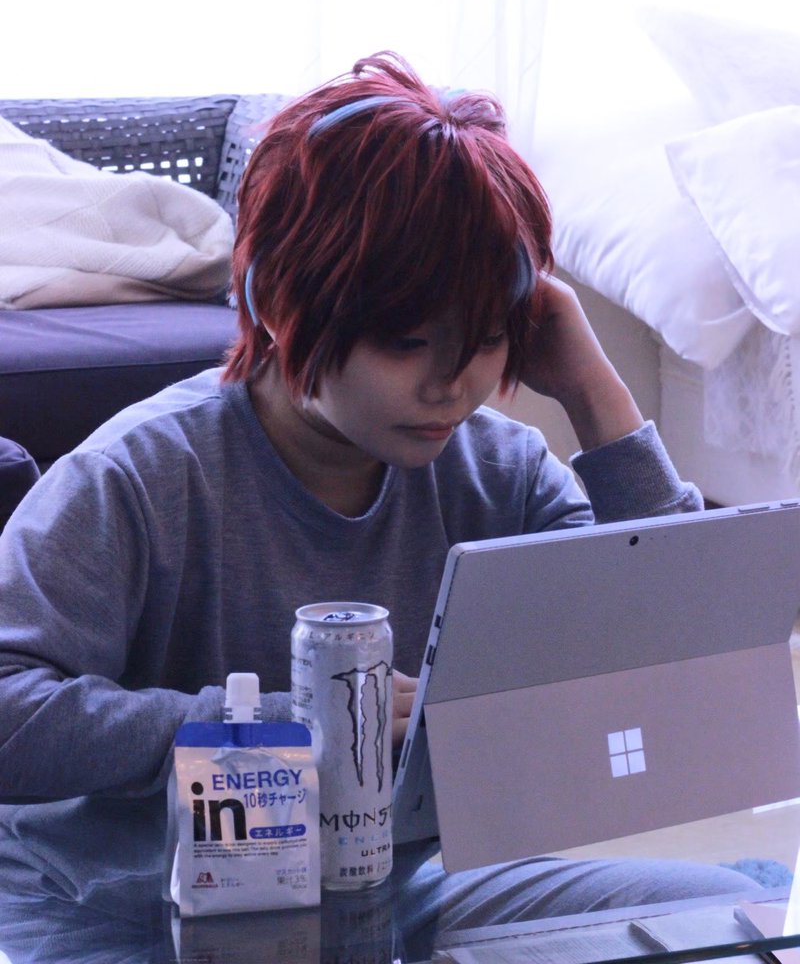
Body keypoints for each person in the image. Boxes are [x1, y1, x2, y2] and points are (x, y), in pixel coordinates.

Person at [0, 53, 757, 939]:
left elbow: (685, 652)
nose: (450, 386)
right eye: (406, 342)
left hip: (401, 881)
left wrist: (597, 395)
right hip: (121, 899)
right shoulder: (138, 476)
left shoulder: (498, 468)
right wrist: (285, 726)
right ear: (275, 300)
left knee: (729, 912)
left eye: (486, 339)